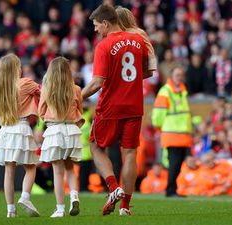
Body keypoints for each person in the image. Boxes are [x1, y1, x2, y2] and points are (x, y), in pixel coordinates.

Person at [82, 4, 149, 216]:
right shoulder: (138, 41)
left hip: (111, 106)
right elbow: (145, 72)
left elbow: (97, 83)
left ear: (105, 23)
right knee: (130, 154)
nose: (95, 30)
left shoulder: (103, 46)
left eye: (96, 25)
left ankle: (113, 188)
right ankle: (125, 207)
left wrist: (76, 97)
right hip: (134, 105)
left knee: (95, 146)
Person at [0, 53, 40, 218]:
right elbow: (44, 92)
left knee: (9, 172)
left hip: (6, 130)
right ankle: (25, 197)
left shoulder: (2, 88)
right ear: (16, 68)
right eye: (19, 65)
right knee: (31, 166)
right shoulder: (25, 83)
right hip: (21, 127)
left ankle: (10, 210)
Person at [38, 57, 83, 218]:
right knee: (70, 169)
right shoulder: (76, 89)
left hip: (55, 130)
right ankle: (74, 196)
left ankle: (60, 209)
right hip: (72, 130)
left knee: (57, 172)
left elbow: (41, 111)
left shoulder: (47, 89)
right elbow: (80, 111)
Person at [152, 66, 193, 197]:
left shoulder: (182, 90)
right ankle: (170, 191)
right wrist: (159, 127)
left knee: (178, 164)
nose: (179, 77)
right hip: (171, 133)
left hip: (182, 134)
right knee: (174, 163)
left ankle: (172, 189)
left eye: (181, 75)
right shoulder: (166, 91)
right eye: (177, 75)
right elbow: (158, 113)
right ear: (171, 76)